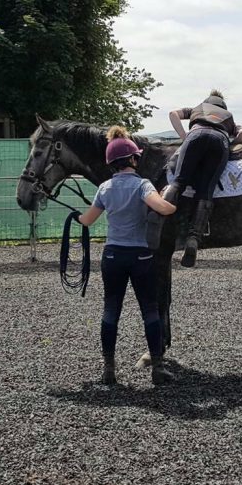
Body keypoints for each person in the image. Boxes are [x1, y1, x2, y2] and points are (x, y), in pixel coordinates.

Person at [77, 126, 178, 385]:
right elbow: (162, 208)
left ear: (112, 163)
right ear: (134, 159)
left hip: (112, 256)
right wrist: (173, 202)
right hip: (141, 257)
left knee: (111, 310)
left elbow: (87, 221)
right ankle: (157, 367)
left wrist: (76, 216)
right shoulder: (143, 185)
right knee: (150, 310)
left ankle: (109, 369)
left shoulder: (105, 188)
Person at [162, 90, 242, 267]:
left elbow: (173, 114)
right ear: (222, 104)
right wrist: (232, 143)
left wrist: (184, 137)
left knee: (179, 181)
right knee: (206, 190)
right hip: (219, 140)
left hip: (195, 135)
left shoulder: (197, 108)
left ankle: (157, 220)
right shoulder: (228, 117)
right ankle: (194, 239)